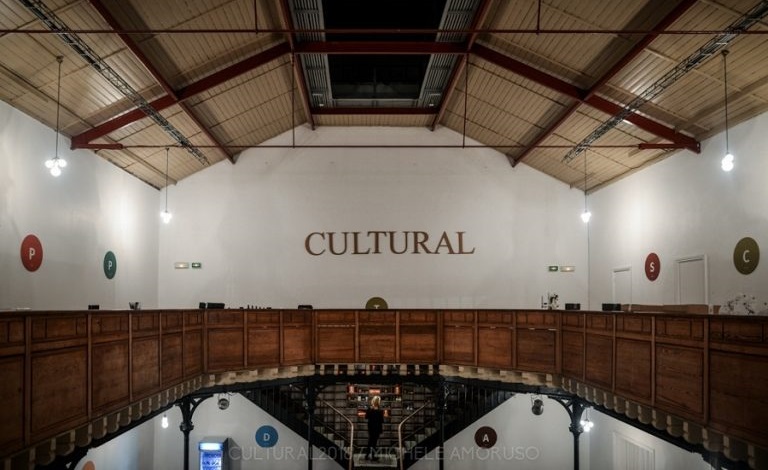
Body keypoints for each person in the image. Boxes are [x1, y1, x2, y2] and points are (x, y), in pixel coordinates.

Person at [365, 395, 384, 460]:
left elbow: (366, 417)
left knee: (370, 441)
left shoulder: (369, 409)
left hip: (370, 427)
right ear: (378, 402)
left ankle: (367, 455)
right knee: (374, 442)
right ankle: (373, 456)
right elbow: (382, 421)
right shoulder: (380, 411)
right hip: (377, 428)